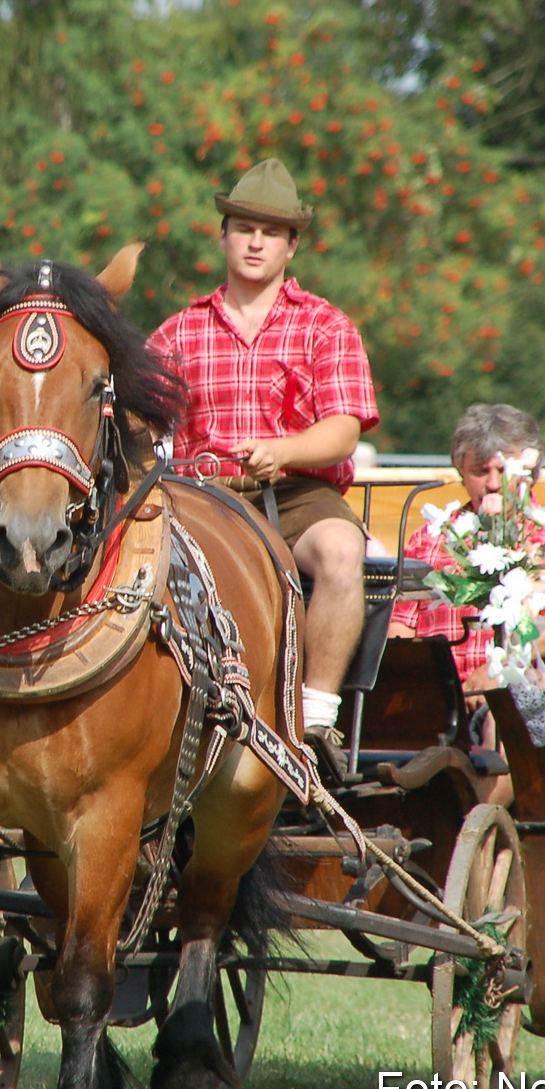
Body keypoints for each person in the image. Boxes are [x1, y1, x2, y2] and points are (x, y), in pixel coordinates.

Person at [146, 158, 376, 761]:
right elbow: (140, 426)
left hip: (300, 497)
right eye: (244, 228)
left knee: (343, 551)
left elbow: (344, 431)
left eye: (271, 232)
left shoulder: (326, 326)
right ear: (222, 235)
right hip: (201, 500)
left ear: (291, 245)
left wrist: (284, 451)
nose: (255, 242)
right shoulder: (176, 334)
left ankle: (316, 719)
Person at [388, 404, 545, 695]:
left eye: (503, 471)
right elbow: (400, 626)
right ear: (461, 472)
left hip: (520, 684)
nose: (492, 484)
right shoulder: (430, 536)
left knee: (506, 707)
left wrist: (501, 668)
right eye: (479, 471)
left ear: (529, 472)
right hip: (437, 693)